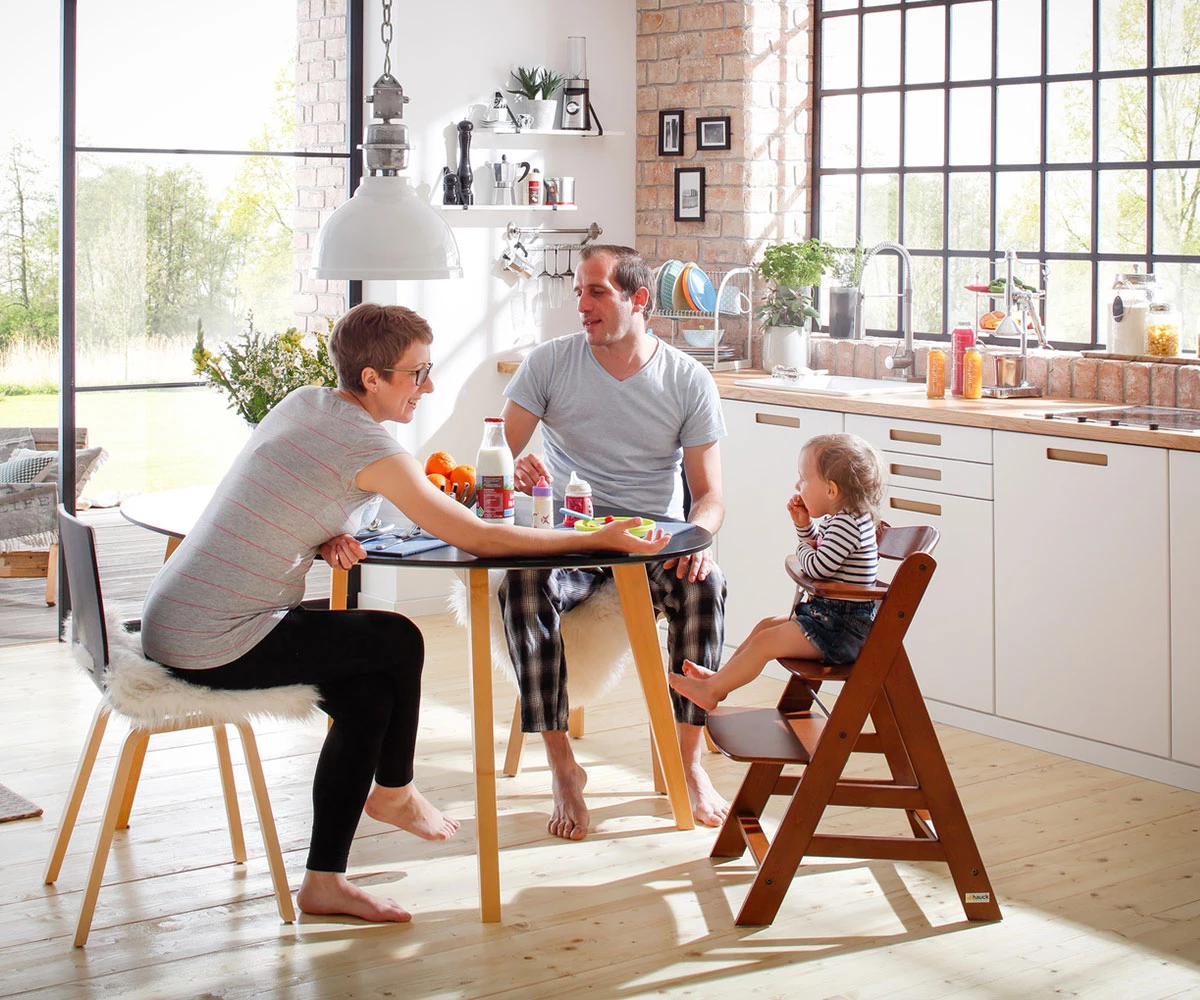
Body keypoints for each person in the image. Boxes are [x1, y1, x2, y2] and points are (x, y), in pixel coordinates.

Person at [140, 303, 669, 924]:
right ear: (372, 378)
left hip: (174, 618)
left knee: (369, 696)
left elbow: (286, 489)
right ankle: (396, 791)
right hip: (216, 638)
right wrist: (599, 539)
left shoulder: (306, 404)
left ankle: (324, 882)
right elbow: (480, 537)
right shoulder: (371, 447)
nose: (430, 386)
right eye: (417, 373)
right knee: (396, 640)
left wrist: (324, 532)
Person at [498, 243, 730, 841]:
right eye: (579, 291)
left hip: (650, 540)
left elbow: (709, 495)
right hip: (571, 540)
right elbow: (492, 457)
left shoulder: (687, 379)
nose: (582, 305)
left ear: (638, 299)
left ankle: (688, 764)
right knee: (521, 585)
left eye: (597, 292)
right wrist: (511, 466)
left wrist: (699, 539)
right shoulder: (549, 364)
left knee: (707, 587)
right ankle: (562, 766)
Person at [669, 432, 886, 712]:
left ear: (831, 490)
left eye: (804, 479)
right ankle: (720, 679)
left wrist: (802, 547)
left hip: (838, 631)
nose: (798, 485)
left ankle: (713, 690)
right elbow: (821, 551)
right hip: (828, 619)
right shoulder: (843, 520)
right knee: (766, 626)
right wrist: (805, 527)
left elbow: (817, 567)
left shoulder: (848, 525)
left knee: (766, 642)